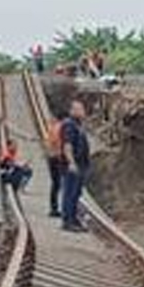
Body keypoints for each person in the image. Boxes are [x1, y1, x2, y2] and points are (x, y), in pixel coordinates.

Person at [59, 99, 91, 232]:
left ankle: (74, 219)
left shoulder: (77, 125)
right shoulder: (69, 125)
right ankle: (68, 221)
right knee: (70, 193)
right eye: (79, 109)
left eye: (82, 109)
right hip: (73, 165)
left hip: (81, 164)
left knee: (76, 193)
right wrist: (71, 163)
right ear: (72, 111)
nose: (83, 112)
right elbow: (67, 145)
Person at [42, 114, 68, 217]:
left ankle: (54, 208)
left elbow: (50, 143)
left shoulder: (52, 128)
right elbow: (59, 143)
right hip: (57, 158)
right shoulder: (59, 128)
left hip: (51, 157)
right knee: (60, 183)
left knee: (55, 184)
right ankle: (58, 208)